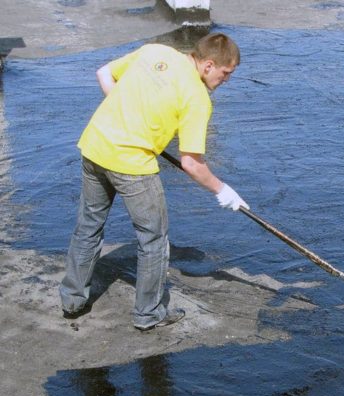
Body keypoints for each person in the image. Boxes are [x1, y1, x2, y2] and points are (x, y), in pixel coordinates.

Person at [59, 33, 248, 331]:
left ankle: (72, 301)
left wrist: (130, 116)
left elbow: (104, 73)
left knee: (88, 226)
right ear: (209, 65)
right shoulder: (197, 98)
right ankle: (149, 314)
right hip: (132, 165)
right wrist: (223, 191)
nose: (227, 80)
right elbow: (191, 163)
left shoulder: (155, 52)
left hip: (95, 146)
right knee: (154, 238)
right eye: (226, 73)